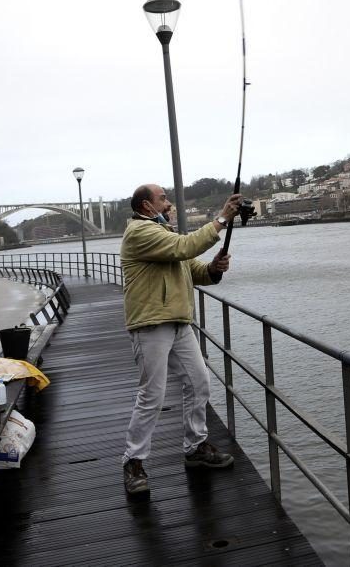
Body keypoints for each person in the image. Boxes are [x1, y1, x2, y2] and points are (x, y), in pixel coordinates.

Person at [120, 183, 242, 497]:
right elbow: (184, 248)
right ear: (146, 206)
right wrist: (222, 219)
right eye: (163, 198)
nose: (169, 202)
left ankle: (195, 447)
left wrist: (214, 268)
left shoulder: (165, 234)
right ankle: (133, 462)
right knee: (152, 396)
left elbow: (192, 268)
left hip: (178, 322)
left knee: (199, 382)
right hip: (151, 325)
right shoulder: (140, 232)